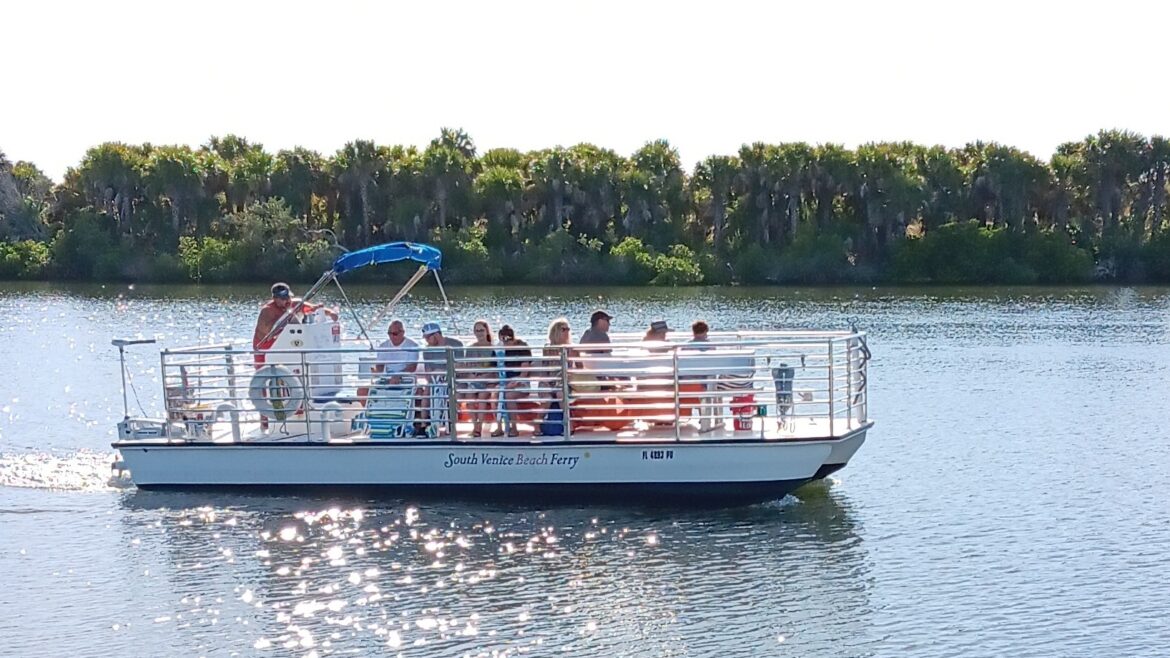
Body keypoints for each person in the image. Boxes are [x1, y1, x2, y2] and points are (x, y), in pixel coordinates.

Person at [252, 282, 337, 361]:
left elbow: (313, 308)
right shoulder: (268, 310)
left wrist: (330, 313)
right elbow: (266, 332)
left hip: (286, 344)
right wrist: (284, 317)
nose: (287, 300)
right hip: (265, 347)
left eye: (288, 297)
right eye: (283, 298)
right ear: (275, 298)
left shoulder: (295, 304)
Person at [418, 322, 463, 435]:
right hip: (435, 381)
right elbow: (427, 372)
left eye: (428, 337)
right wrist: (434, 377)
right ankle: (424, 424)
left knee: (454, 391)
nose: (427, 340)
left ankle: (452, 424)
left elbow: (460, 365)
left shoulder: (455, 344)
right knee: (427, 391)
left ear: (437, 335)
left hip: (454, 379)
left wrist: (445, 372)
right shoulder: (427, 351)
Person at [463, 320, 497, 437]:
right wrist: (472, 375)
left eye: (481, 330)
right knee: (469, 397)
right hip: (474, 380)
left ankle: (479, 427)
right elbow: (467, 367)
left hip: (489, 380)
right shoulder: (470, 348)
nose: (479, 333)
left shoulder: (493, 349)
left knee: (482, 395)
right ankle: (474, 425)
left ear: (487, 331)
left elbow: (495, 370)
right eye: (477, 331)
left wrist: (484, 376)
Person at [496, 325, 532, 437]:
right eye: (503, 339)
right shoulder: (499, 350)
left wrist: (515, 382)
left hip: (521, 382)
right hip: (504, 381)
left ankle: (514, 427)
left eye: (508, 339)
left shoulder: (522, 347)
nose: (506, 342)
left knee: (508, 395)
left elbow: (525, 371)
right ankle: (499, 427)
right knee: (496, 393)